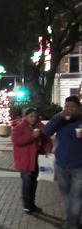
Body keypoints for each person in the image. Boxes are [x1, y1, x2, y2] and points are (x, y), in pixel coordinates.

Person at [43, 96, 82, 229]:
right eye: (66, 107)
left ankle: (72, 223)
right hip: (61, 164)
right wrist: (60, 115)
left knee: (76, 196)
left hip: (79, 166)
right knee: (66, 195)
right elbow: (46, 131)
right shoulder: (60, 120)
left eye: (72, 107)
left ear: (79, 108)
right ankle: (71, 219)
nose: (69, 109)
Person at [11, 108, 52, 214]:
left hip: (37, 157)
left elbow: (47, 139)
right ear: (25, 116)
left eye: (35, 116)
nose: (34, 118)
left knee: (34, 181)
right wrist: (31, 136)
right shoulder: (19, 127)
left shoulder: (40, 126)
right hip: (25, 159)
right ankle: (27, 205)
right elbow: (16, 141)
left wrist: (48, 147)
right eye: (31, 116)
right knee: (27, 182)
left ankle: (32, 204)